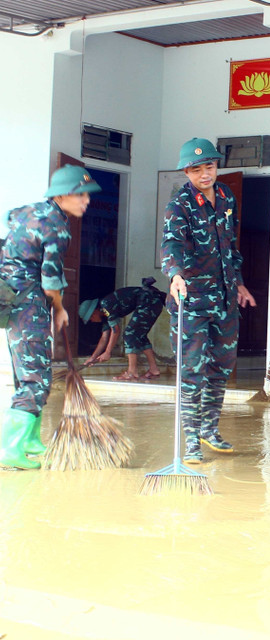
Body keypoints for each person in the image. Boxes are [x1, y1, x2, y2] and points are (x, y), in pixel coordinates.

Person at [161, 138, 256, 464]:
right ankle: (190, 442)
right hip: (192, 299)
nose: (205, 174)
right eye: (197, 169)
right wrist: (174, 274)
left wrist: (240, 284)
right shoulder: (180, 205)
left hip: (225, 299)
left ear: (217, 166)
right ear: (187, 171)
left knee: (220, 369)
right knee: (192, 372)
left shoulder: (227, 196)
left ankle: (209, 429)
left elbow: (230, 245)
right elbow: (171, 245)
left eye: (210, 167)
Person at [0, 165, 100, 470]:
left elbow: (9, 221)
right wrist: (59, 308)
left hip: (8, 296)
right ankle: (9, 448)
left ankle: (29, 440)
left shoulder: (26, 211)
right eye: (80, 195)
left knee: (26, 372)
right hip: (27, 301)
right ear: (63, 195)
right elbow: (51, 280)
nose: (86, 201)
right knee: (36, 379)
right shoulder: (56, 225)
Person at [79, 277, 167, 381]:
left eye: (91, 318)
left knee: (129, 334)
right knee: (139, 335)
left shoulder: (106, 305)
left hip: (150, 301)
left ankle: (132, 372)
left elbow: (116, 331)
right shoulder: (105, 316)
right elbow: (104, 337)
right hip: (150, 302)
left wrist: (107, 352)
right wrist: (93, 358)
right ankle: (154, 370)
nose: (92, 321)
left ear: (94, 312)